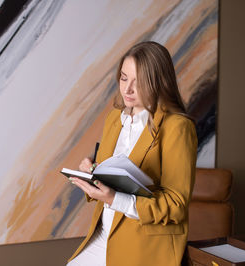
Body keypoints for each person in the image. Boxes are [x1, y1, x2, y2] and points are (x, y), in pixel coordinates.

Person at [66, 41, 198, 266]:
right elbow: (112, 174)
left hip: (142, 245)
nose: (127, 89)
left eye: (139, 82)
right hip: (103, 235)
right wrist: (92, 172)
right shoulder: (114, 119)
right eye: (124, 78)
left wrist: (113, 198)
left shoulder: (177, 127)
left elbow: (175, 206)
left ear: (159, 83)